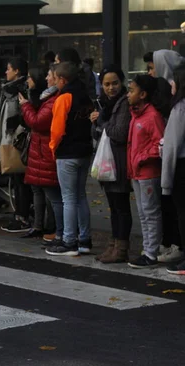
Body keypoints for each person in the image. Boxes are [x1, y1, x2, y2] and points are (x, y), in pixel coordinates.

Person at [46, 62, 94, 256]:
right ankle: (84, 238)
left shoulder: (64, 98)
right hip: (84, 150)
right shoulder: (85, 95)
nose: (54, 81)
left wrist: (53, 148)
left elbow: (57, 130)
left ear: (63, 80)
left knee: (68, 198)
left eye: (55, 78)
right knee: (81, 195)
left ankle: (69, 241)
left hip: (67, 153)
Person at [144, 49, 185, 263]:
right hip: (171, 158)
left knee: (176, 208)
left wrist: (166, 181)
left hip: (176, 162)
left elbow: (173, 141)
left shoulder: (177, 104)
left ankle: (177, 246)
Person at [90, 65, 132, 264]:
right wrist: (97, 122)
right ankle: (113, 245)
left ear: (121, 82)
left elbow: (118, 133)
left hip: (119, 163)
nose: (111, 88)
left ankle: (121, 248)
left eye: (115, 83)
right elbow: (101, 132)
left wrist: (103, 121)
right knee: (113, 208)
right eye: (106, 84)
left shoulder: (124, 103)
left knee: (121, 207)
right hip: (108, 163)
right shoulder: (105, 103)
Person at [0, 57, 32, 233]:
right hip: (9, 141)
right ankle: (19, 214)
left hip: (18, 142)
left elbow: (24, 116)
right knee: (15, 180)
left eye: (8, 69)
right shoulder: (8, 91)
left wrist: (17, 132)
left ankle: (23, 216)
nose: (6, 72)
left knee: (22, 181)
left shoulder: (22, 90)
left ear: (17, 71)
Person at [125, 75, 165, 268]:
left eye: (131, 91)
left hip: (148, 172)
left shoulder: (152, 117)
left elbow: (160, 143)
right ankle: (147, 248)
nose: (128, 94)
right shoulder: (136, 115)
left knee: (150, 212)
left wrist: (142, 158)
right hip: (137, 172)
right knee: (143, 212)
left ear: (143, 94)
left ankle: (151, 252)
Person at [19, 66, 61, 240]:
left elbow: (37, 121)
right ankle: (39, 225)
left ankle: (52, 228)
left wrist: (25, 106)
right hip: (38, 148)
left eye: (50, 76)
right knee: (38, 188)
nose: (48, 79)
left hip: (44, 149)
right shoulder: (45, 97)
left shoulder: (48, 98)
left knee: (50, 192)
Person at [162, 64, 185, 274]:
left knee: (182, 211)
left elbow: (172, 144)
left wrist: (166, 181)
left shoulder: (179, 108)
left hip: (181, 166)